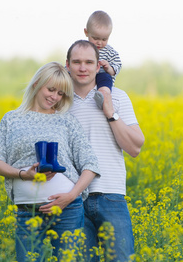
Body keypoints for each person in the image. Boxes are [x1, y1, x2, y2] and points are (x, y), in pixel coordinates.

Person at [0, 61, 100, 261]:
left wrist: (71, 196)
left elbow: (90, 165)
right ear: (37, 83)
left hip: (67, 209)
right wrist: (24, 174)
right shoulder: (11, 119)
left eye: (60, 93)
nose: (54, 97)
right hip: (27, 212)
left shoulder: (66, 120)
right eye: (51, 89)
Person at [66, 40, 145, 262]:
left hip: (111, 195)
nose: (83, 68)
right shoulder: (58, 100)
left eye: (89, 62)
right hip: (73, 200)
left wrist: (110, 112)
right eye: (77, 62)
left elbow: (135, 147)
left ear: (98, 65)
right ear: (67, 65)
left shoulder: (117, 96)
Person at [84, 10, 122, 110]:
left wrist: (108, 68)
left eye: (104, 39)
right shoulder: (82, 48)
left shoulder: (110, 51)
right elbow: (73, 61)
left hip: (101, 77)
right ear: (86, 32)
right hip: (84, 76)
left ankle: (103, 96)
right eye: (96, 38)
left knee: (105, 77)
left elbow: (117, 65)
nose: (99, 43)